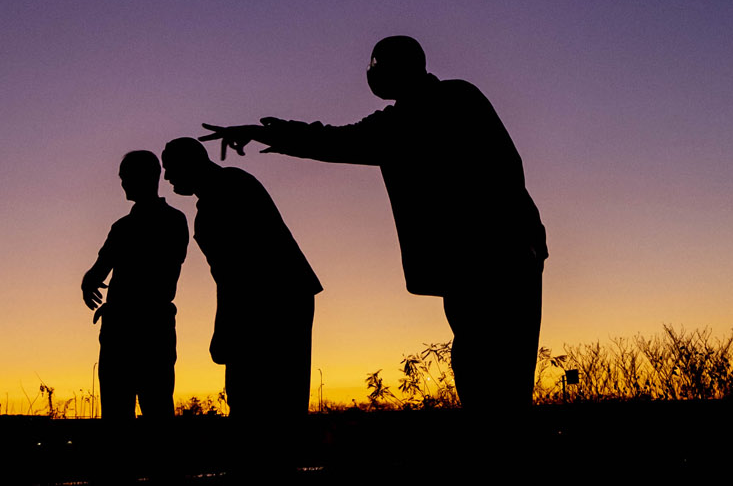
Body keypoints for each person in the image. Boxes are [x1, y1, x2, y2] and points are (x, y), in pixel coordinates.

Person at [203, 36, 547, 418]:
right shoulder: (400, 120)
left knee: (498, 375)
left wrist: (520, 240)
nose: (371, 73)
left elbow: (503, 170)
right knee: (480, 371)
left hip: (501, 257)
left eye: (376, 65)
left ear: (403, 66)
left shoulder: (448, 102)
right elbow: (335, 139)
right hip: (475, 264)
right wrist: (267, 131)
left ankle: (514, 465)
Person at [159, 137, 321, 429]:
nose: (167, 177)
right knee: (265, 399)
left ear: (190, 162)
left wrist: (224, 330)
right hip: (278, 298)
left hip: (274, 302)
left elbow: (237, 273)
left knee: (266, 400)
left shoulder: (227, 188)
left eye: (169, 168)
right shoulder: (220, 192)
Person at [80, 149, 190, 421]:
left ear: (149, 177)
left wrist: (93, 282)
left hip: (142, 328)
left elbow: (99, 272)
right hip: (139, 327)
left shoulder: (136, 226)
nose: (123, 184)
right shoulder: (162, 222)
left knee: (148, 408)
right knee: (143, 408)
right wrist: (90, 281)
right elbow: (98, 271)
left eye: (126, 177)